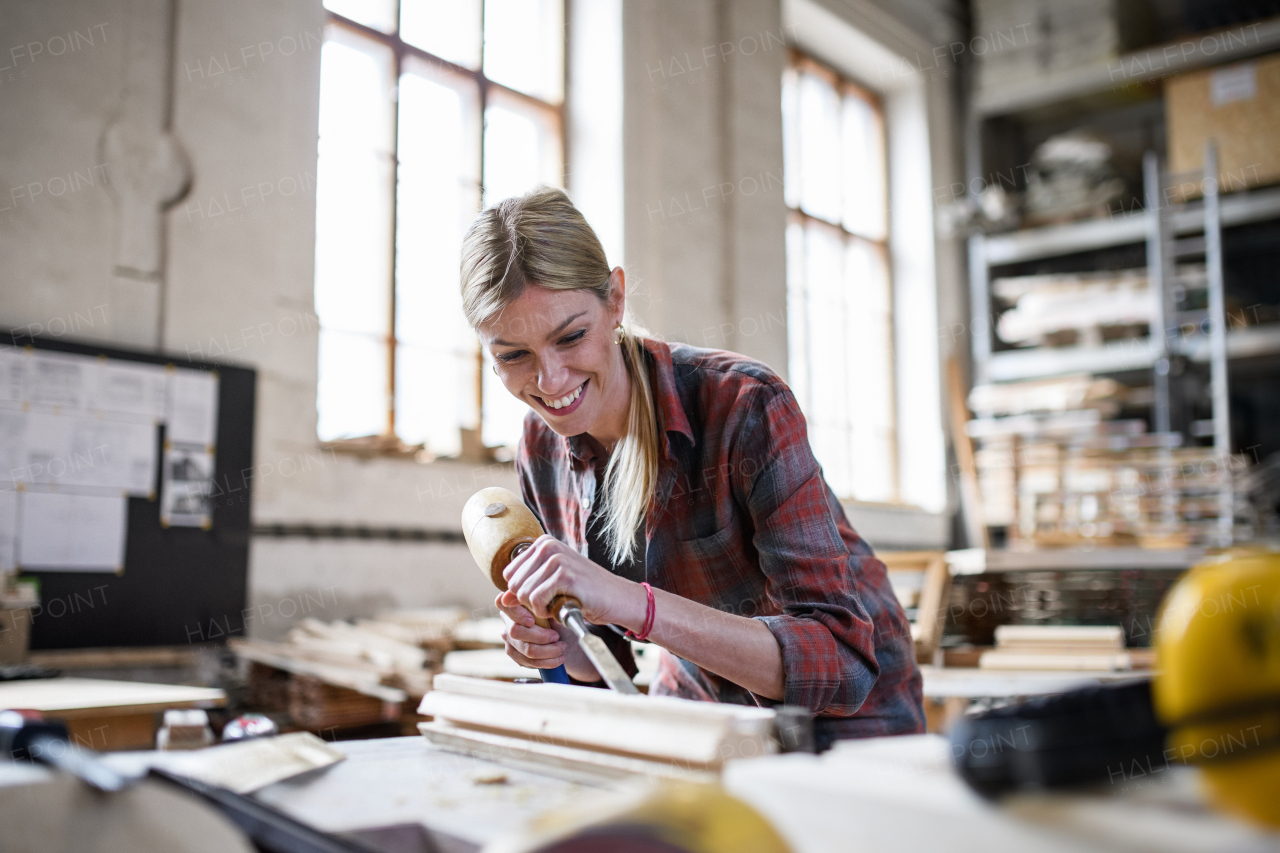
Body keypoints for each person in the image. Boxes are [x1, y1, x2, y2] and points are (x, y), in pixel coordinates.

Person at [460, 186, 924, 746]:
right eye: (513, 356)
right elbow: (606, 662)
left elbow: (843, 664)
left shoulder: (745, 404)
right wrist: (561, 639)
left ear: (615, 300)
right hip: (703, 704)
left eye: (572, 336)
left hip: (851, 721)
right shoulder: (541, 444)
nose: (550, 380)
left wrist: (633, 602)